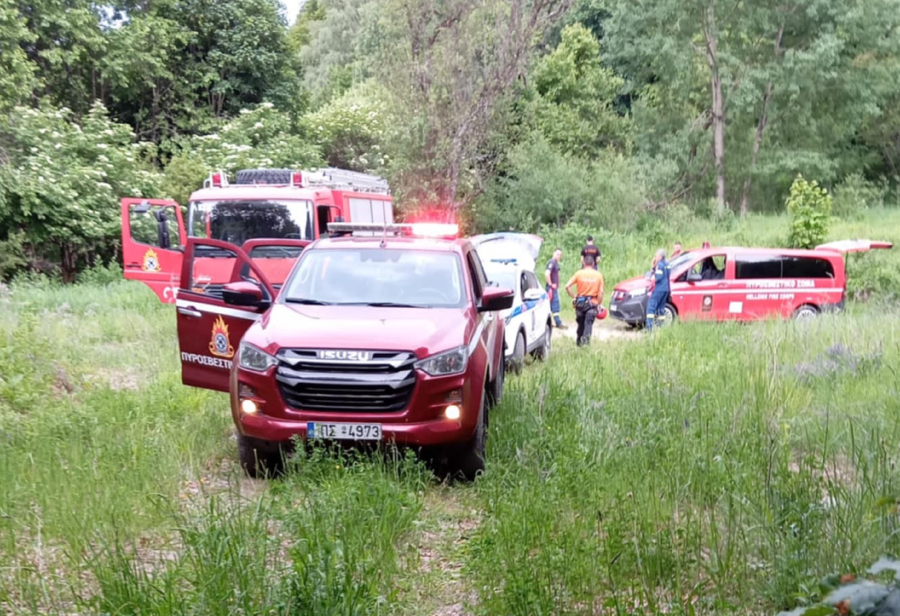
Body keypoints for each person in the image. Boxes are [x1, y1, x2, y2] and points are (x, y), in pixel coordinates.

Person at [565, 255, 604, 346]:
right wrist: (599, 303)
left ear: (584, 263)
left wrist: (574, 296)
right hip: (592, 303)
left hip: (580, 302)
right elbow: (601, 292)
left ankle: (578, 341)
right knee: (588, 323)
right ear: (593, 264)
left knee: (580, 323)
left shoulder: (579, 273)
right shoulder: (598, 275)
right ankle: (586, 344)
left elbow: (567, 286)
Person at [645, 249, 670, 331]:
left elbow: (658, 277)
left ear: (660, 256)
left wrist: (653, 270)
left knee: (651, 308)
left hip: (659, 289)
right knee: (661, 309)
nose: (655, 257)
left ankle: (649, 328)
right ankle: (661, 327)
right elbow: (668, 275)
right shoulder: (667, 264)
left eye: (656, 255)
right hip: (666, 289)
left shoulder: (659, 265)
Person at [544, 248, 566, 329]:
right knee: (555, 305)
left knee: (549, 305)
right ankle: (558, 322)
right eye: (557, 254)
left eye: (560, 255)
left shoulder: (556, 263)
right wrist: (550, 284)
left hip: (553, 288)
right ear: (553, 253)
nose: (559, 256)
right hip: (551, 289)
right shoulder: (552, 262)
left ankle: (548, 322)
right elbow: (547, 273)